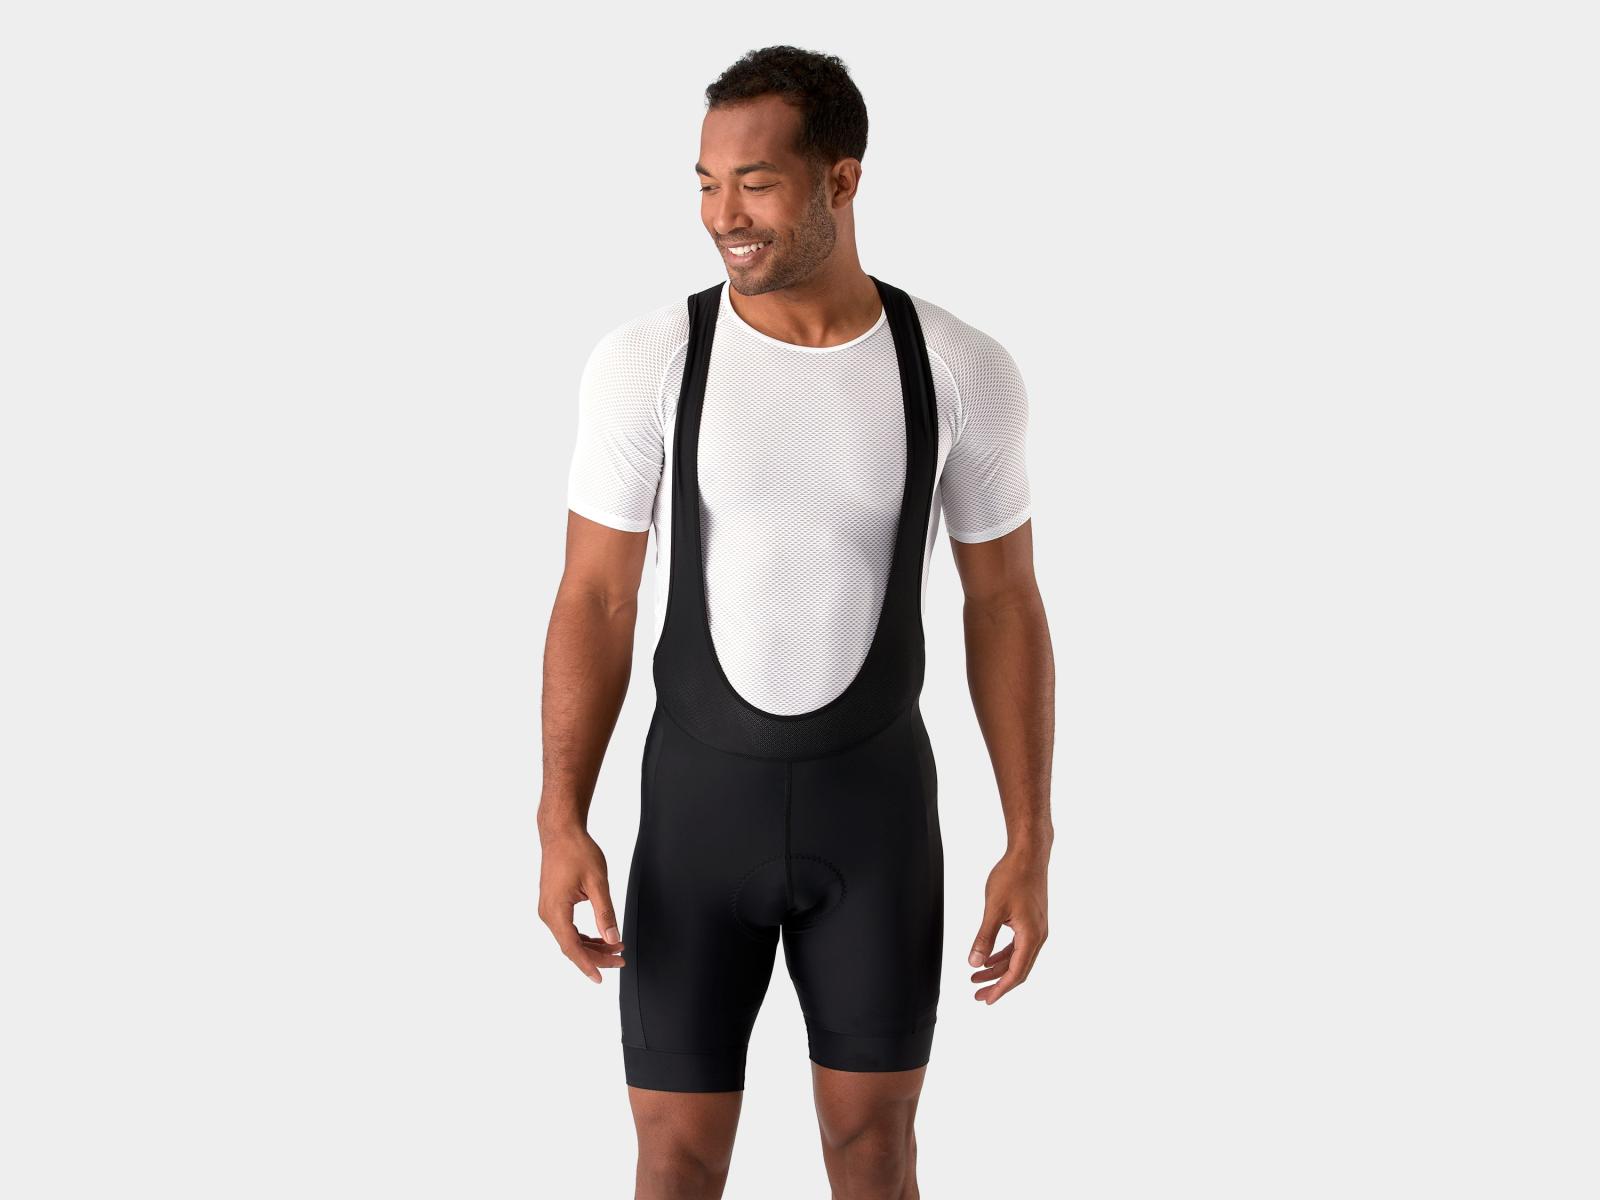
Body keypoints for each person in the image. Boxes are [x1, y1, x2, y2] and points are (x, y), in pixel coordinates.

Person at [538, 45, 1055, 1200]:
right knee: (675, 1159)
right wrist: (559, 815)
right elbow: (595, 597)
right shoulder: (650, 360)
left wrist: (1030, 838)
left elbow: (1004, 602)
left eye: (756, 184)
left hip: (875, 823)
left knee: (875, 1152)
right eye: (706, 184)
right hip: (695, 819)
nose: (723, 215)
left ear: (841, 180)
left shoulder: (957, 366)